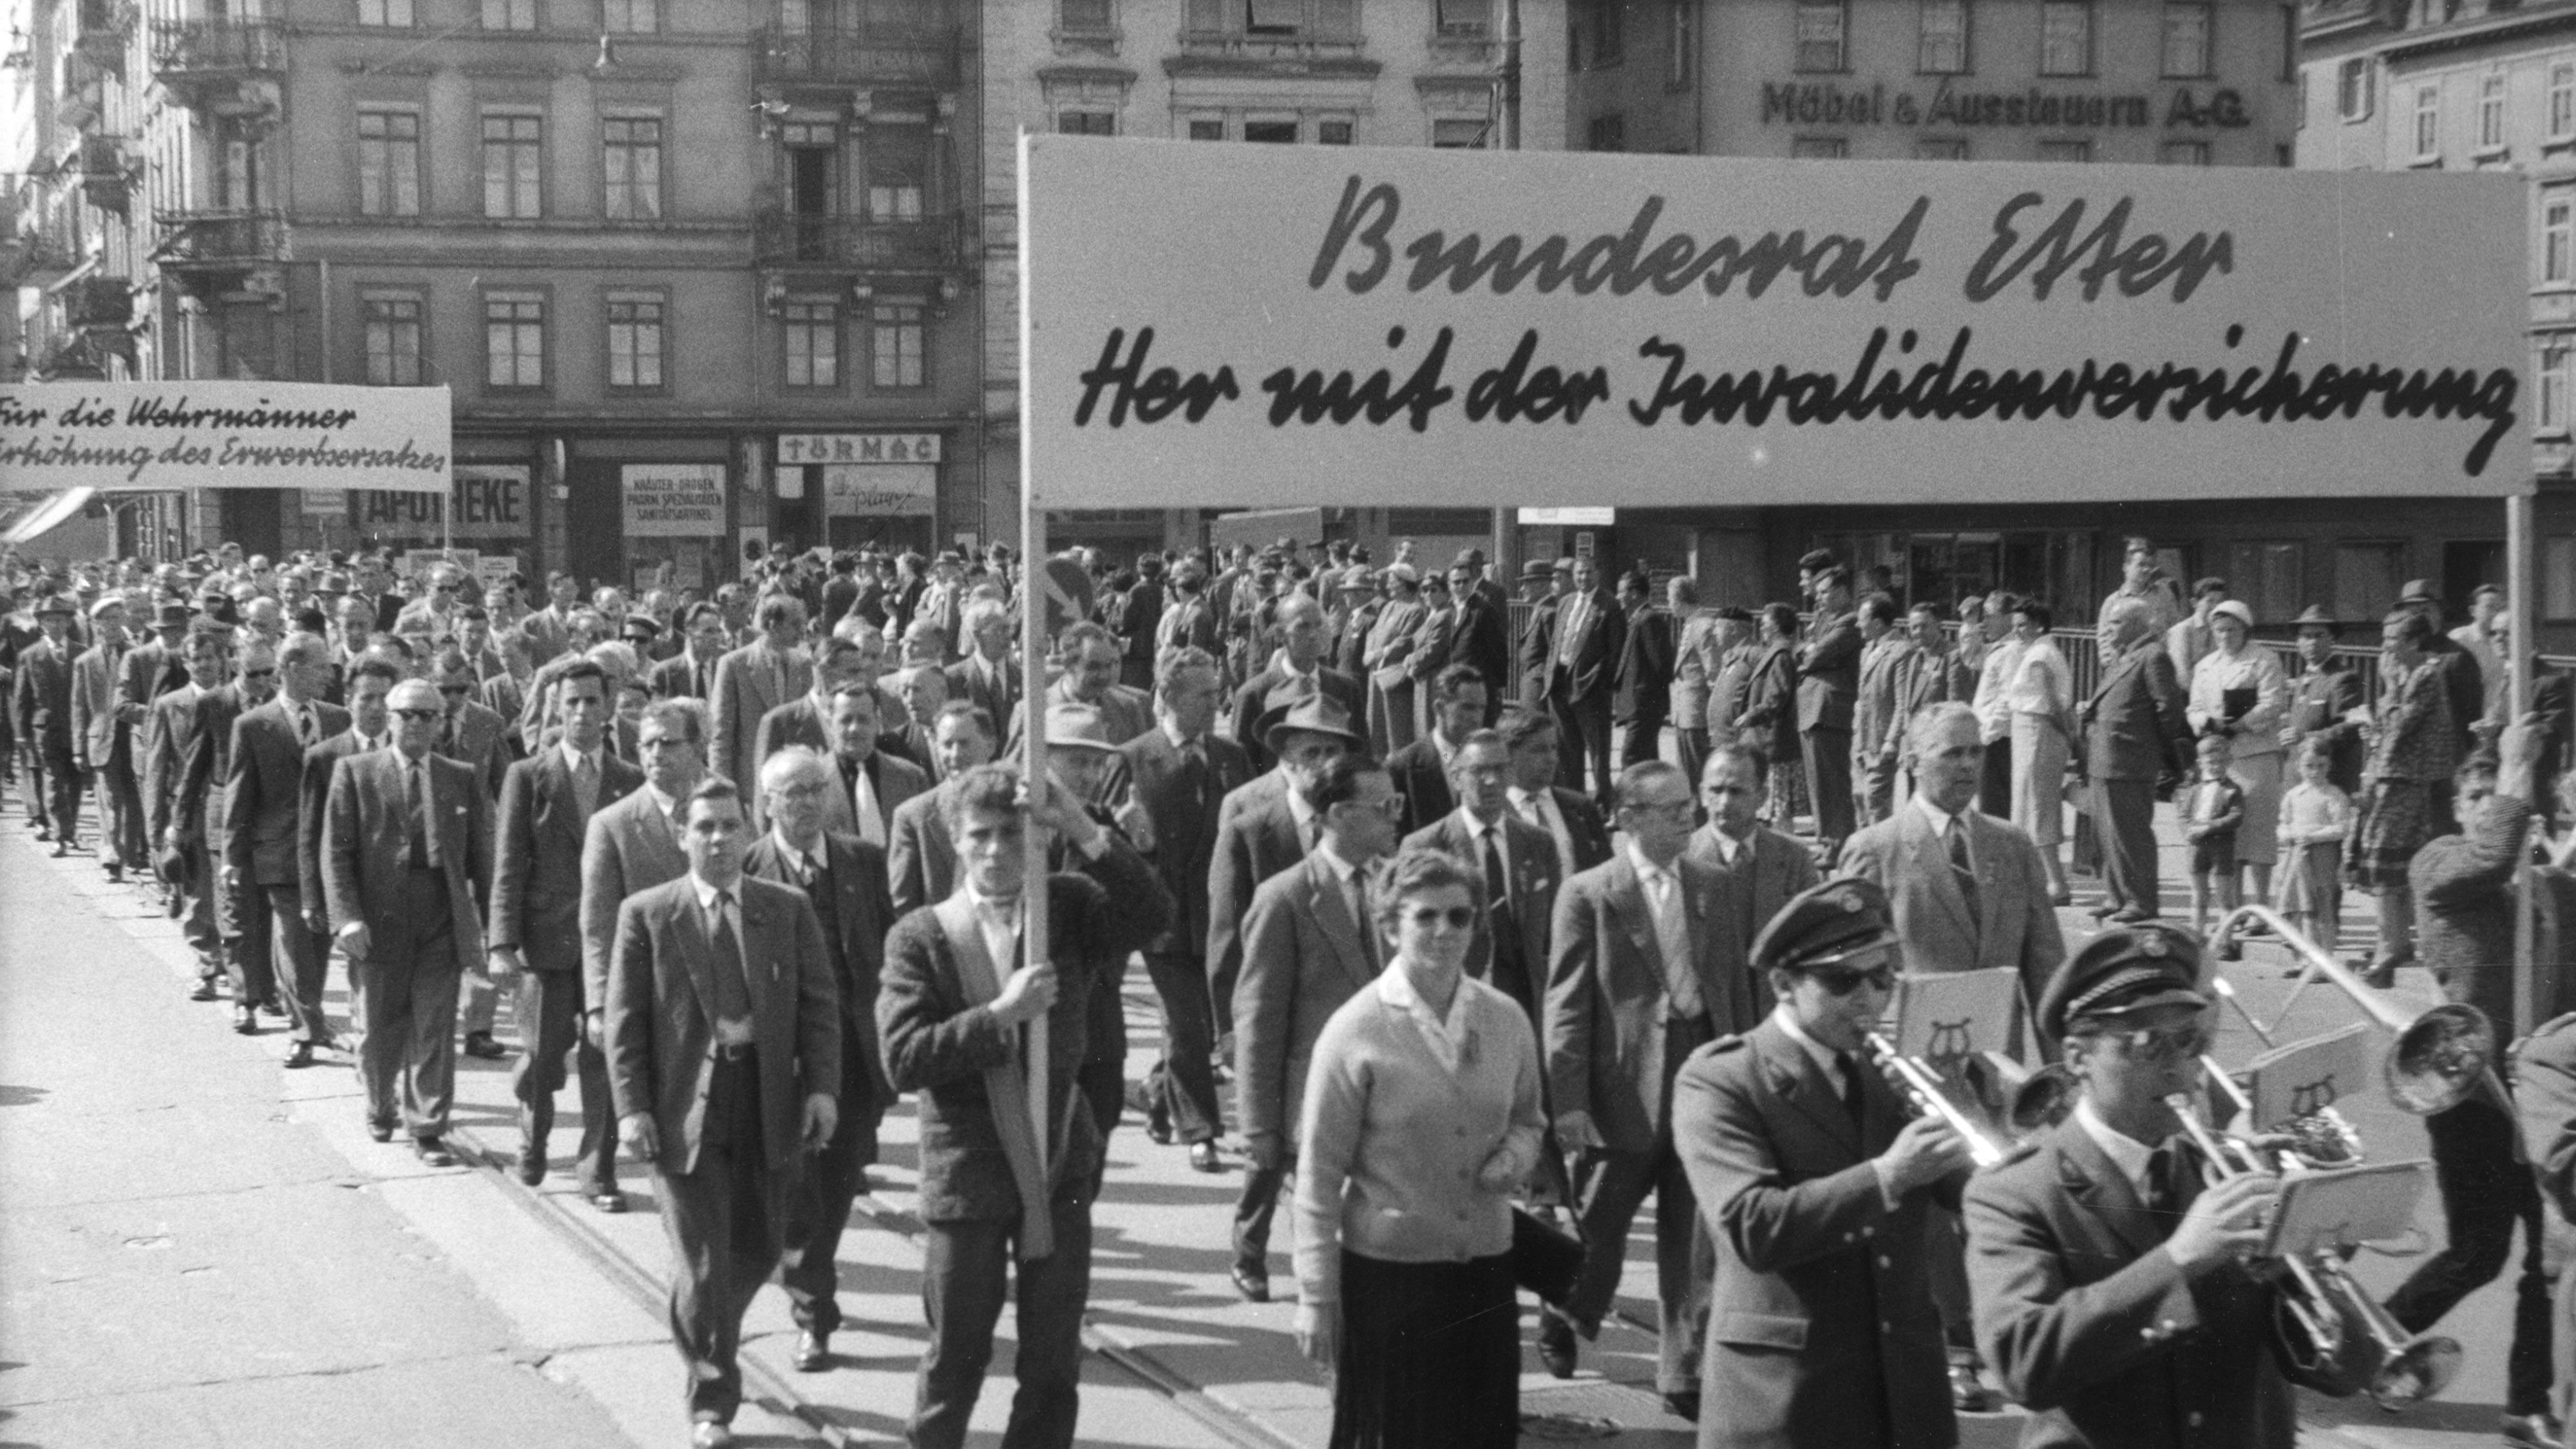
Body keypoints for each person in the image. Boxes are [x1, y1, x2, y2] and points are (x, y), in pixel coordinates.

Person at [1965, 923, 2365, 1449]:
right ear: (2079, 1057)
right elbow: (2023, 1364)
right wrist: (2179, 1260)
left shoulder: (2227, 1171)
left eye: (2191, 1041)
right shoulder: (2014, 1193)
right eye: (2148, 1045)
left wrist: (2312, 1266)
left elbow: (2344, 1371)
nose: (2181, 1068)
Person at [877, 765, 1170, 1449]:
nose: (998, 850)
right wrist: (999, 1017)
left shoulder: (1065, 907)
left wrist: (1080, 827)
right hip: (969, 1175)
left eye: (1013, 834)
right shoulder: (921, 937)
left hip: (1058, 1162)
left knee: (1052, 1359)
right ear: (956, 842)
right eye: (980, 836)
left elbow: (1155, 917)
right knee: (956, 1355)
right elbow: (904, 1057)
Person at [1672, 876, 1975, 1449]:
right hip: (1787, 1399)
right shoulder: (1722, 1078)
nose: (1868, 999)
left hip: (1905, 1394)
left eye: (1882, 978)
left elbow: (1980, 1199)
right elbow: (1751, 1226)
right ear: (1784, 983)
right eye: (1842, 981)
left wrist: (1964, 1112)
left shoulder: (1892, 1074)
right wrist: (1890, 1175)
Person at [604, 777, 840, 1449]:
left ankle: (700, 1320)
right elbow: (625, 1026)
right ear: (681, 836)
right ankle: (713, 1401)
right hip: (684, 1109)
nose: (718, 840)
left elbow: (819, 1009)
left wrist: (822, 1089)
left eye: (730, 826)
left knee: (761, 1245)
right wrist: (631, 1110)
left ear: (748, 831)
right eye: (703, 827)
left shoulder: (785, 909)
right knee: (707, 1262)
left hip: (765, 1102)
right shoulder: (648, 914)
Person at [1292, 847, 1546, 1449]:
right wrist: (1315, 1296)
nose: (1443, 932)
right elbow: (1318, 1176)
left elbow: (1530, 1120)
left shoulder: (1505, 1018)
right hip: (1391, 1281)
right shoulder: (1356, 1029)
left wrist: (1513, 1157)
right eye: (1425, 917)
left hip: (1483, 1271)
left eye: (1460, 917)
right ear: (1390, 927)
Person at [1540, 759, 1758, 1419]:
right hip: (1623, 1086)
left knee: (1693, 1230)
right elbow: (1568, 1005)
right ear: (1629, 819)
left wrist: (1742, 1072)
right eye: (1669, 810)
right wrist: (1569, 1101)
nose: (1687, 817)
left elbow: (1732, 987)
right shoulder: (1590, 893)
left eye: (1687, 804)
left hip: (1701, 1072)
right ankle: (1564, 1309)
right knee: (1599, 1225)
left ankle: (1682, 1369)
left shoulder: (1714, 884)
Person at [2384, 717, 2559, 1446]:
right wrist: (2517, 771)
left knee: (2549, 1256)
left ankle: (2527, 1402)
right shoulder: (2439, 864)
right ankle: (2361, 1343)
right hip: (2466, 1089)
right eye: (2477, 794)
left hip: (2539, 1089)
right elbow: (2490, 855)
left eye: (2498, 791)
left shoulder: (2544, 879)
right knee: (2478, 1255)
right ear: (2460, 803)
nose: (2489, 804)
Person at [741, 746, 895, 1372]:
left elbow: (890, 951)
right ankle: (814, 1315)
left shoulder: (863, 861)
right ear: (767, 801)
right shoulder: (748, 867)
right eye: (790, 792)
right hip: (778, 1060)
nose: (805, 802)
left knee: (833, 1189)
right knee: (797, 1191)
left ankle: (810, 1285)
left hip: (854, 1058)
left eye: (814, 789)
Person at [1232, 756, 1403, 1305]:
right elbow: (1258, 1019)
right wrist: (1257, 1120)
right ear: (1340, 815)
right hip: (1306, 1090)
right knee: (1273, 1169)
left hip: (1380, 1084)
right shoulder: (1284, 898)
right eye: (1384, 808)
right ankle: (1250, 1247)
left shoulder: (1392, 888)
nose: (1395, 818)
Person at [321, 678, 495, 1166]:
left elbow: (482, 855)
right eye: (407, 714)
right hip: (378, 917)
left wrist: (491, 924)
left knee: (435, 1024)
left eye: (427, 715)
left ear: (441, 723)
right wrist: (347, 919)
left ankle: (427, 1126)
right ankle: (380, 1103)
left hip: (440, 911)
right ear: (388, 718)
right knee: (379, 1025)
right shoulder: (355, 772)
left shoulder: (459, 775)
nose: (416, 724)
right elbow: (335, 854)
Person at [486, 660, 642, 1197]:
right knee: (541, 1056)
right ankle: (532, 1141)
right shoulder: (528, 776)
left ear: (608, 706)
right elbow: (508, 866)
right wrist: (502, 943)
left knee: (605, 1062)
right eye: (571, 702)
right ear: (556, 706)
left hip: (610, 950)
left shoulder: (629, 781)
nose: (581, 712)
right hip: (545, 942)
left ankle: (597, 1169)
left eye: (591, 702)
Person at [1114, 647, 1253, 1174]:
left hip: (1220, 917)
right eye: (1204, 694)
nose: (1215, 703)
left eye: (1218, 694)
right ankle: (1202, 1132)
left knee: (1203, 1028)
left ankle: (1156, 1093)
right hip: (1163, 921)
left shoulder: (1230, 757)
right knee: (1187, 1026)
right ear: (1168, 696)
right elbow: (1112, 840)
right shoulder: (1132, 757)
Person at [1837, 701, 2065, 1015]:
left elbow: (2047, 969)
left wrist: (2057, 1062)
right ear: (1915, 762)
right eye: (1953, 754)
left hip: (1999, 1053)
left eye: (1976, 752)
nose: (1968, 764)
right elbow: (1851, 971)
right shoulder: (1875, 849)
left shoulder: (2014, 845)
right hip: (1912, 1053)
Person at [576, 698, 707, 1211]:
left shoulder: (720, 810)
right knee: (620, 1081)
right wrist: (596, 1003)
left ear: (696, 748)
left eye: (669, 743)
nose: (656, 754)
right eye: (647, 745)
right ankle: (598, 1169)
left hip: (706, 978)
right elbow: (596, 922)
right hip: (640, 982)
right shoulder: (613, 823)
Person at [1208, 695, 1363, 1073]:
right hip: (1274, 1002)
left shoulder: (1357, 815)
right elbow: (1227, 926)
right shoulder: (1247, 820)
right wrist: (1228, 1027)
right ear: (1287, 759)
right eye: (1314, 752)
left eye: (1334, 751)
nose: (1326, 763)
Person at [222, 632, 349, 1062]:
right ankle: (307, 1030)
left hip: (331, 854)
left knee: (317, 945)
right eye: (320, 666)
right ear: (292, 669)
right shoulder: (253, 725)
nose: (330, 675)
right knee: (294, 940)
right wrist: (232, 859)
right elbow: (239, 797)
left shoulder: (339, 719)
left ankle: (309, 1019)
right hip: (279, 853)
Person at [2352, 611, 2463, 985]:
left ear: (2414, 642)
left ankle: (2391, 945)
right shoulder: (2406, 675)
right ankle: (2395, 941)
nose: (2384, 647)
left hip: (2405, 778)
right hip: (2393, 775)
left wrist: (2388, 689)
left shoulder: (2425, 675)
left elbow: (2398, 728)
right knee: (2387, 858)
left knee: (2387, 856)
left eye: (2391, 639)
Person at [2080, 599, 2190, 924]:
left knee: (2130, 834)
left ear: (2136, 625)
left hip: (2130, 760)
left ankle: (2140, 902)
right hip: (2106, 759)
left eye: (2115, 623)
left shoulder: (2153, 657)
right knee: (2107, 834)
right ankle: (2117, 896)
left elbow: (2168, 711)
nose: (2108, 630)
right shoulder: (2123, 657)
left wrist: (2165, 756)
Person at [2188, 599, 2290, 909]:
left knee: (2257, 832)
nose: (2224, 636)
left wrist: (2239, 725)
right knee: (2224, 834)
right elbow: (2193, 707)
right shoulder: (2205, 666)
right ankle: (2232, 907)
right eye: (2219, 631)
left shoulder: (2264, 660)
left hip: (2256, 754)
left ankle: (2260, 906)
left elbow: (2273, 703)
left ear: (2246, 630)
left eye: (2231, 630)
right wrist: (2204, 722)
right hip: (2219, 760)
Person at [1680, 742, 1819, 951]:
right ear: (1702, 794)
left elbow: (1812, 935)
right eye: (1716, 790)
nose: (1725, 802)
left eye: (1736, 791)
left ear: (1762, 797)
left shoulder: (1795, 857)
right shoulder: (1681, 858)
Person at [888, 701, 999, 914]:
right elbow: (903, 906)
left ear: (990, 746)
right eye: (948, 745)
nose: (955, 755)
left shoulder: (1014, 806)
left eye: (965, 743)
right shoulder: (913, 816)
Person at [71, 594, 145, 882]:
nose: (111, 626)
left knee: (134, 799)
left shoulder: (137, 654)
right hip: (102, 739)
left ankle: (131, 852)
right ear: (95, 625)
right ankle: (111, 856)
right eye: (104, 621)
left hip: (133, 736)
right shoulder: (85, 662)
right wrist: (78, 748)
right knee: (109, 800)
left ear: (124, 621)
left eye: (116, 619)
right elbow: (79, 707)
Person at [709, 592, 811, 791]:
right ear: (773, 625)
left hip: (795, 782)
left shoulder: (804, 664)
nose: (802, 631)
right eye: (795, 624)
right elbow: (721, 735)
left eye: (803, 624)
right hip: (751, 783)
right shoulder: (733, 665)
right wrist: (722, 787)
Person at [1501, 705, 1615, 880]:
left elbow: (1607, 872)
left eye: (1554, 748)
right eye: (1539, 750)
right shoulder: (1497, 810)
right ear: (1508, 754)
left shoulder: (1581, 807)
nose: (1551, 758)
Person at [1546, 555, 1624, 804]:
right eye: (1579, 573)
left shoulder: (1609, 605)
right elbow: (1556, 642)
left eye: (1588, 573)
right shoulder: (1566, 602)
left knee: (1598, 751)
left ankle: (1602, 804)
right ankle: (1575, 801)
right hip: (1561, 685)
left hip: (1590, 689)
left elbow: (1615, 653)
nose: (1583, 578)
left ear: (1598, 574)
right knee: (1567, 750)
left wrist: (1598, 683)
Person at [1795, 567, 1862, 855]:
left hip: (1830, 710)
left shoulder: (1849, 622)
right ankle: (1828, 843)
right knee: (1818, 785)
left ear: (1844, 593)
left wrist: (1810, 653)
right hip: (1813, 710)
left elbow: (1814, 656)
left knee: (1832, 783)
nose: (1819, 598)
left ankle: (1839, 845)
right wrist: (1809, 652)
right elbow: (1805, 652)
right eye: (1818, 592)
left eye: (1826, 593)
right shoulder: (1827, 621)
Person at [2275, 735, 2353, 956]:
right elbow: (2283, 824)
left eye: (2321, 766)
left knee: (2322, 907)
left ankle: (2325, 958)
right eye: (2309, 766)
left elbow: (2342, 827)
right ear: (2299, 766)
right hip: (2297, 857)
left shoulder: (2334, 795)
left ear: (2329, 766)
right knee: (2301, 907)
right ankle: (2304, 959)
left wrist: (2313, 836)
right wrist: (2288, 835)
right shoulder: (2294, 795)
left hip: (2323, 857)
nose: (2315, 771)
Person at [12, 594, 79, 853]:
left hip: (74, 728)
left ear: (68, 622)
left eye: (61, 620)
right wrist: (21, 732)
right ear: (41, 624)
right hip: (46, 728)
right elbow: (22, 697)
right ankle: (60, 835)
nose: (56, 626)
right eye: (50, 620)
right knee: (53, 780)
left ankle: (69, 829)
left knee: (74, 781)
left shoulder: (81, 653)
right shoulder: (30, 655)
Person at [1383, 663, 1484, 834]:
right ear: (1439, 708)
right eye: (1468, 708)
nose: (1477, 718)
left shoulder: (1489, 762)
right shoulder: (1401, 767)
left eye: (1482, 708)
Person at [2282, 606, 2365, 797]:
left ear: (2332, 639)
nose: (2312, 642)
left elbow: (2350, 728)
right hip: (2298, 781)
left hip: (2328, 781)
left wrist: (2305, 736)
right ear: (2297, 642)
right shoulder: (2304, 679)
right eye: (2305, 636)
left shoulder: (2344, 678)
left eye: (2319, 635)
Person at [1852, 592, 1915, 828]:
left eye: (1862, 619)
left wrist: (1891, 740)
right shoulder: (1867, 651)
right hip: (1861, 740)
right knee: (1859, 799)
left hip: (1881, 741)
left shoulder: (1901, 651)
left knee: (1876, 801)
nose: (1858, 625)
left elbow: (1902, 702)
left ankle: (1880, 856)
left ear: (1877, 623)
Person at [2183, 732, 2246, 944]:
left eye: (2221, 762)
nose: (2216, 766)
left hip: (2221, 848)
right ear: (2201, 763)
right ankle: (2196, 934)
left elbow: (2236, 817)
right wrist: (2188, 831)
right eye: (2211, 762)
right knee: (2199, 895)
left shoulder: (2232, 790)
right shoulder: (2194, 790)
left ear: (2229, 762)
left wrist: (2209, 827)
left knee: (2224, 897)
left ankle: (2226, 941)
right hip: (2197, 847)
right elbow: (2184, 814)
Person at [1613, 568, 1674, 770]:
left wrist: (1647, 698)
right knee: (1646, 762)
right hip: (1641, 705)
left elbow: (1662, 666)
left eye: (1621, 591)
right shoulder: (1638, 619)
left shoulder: (1648, 619)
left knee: (1631, 759)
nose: (1618, 597)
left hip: (1644, 705)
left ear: (1634, 593)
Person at [1671, 576, 1720, 788]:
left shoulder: (1704, 626)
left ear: (1680, 600)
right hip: (1684, 712)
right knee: (1686, 772)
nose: (1669, 605)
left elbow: (1713, 671)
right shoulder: (1691, 624)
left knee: (1696, 771)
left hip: (1696, 711)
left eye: (1670, 599)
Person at [2165, 576, 2231, 685]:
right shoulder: (2181, 631)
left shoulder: (2222, 630)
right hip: (2188, 696)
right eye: (2210, 601)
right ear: (2194, 603)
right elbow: (2183, 677)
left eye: (2220, 602)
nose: (2216, 606)